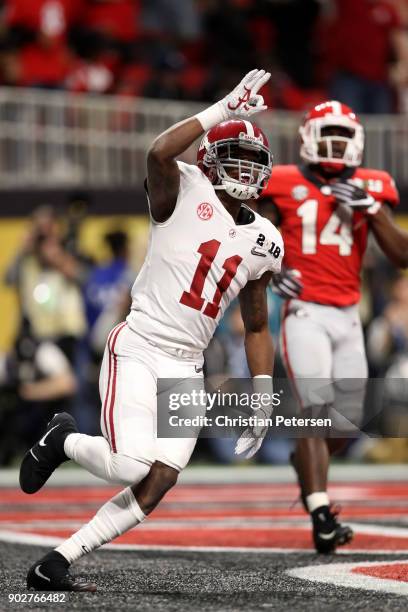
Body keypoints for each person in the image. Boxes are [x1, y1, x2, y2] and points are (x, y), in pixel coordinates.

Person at [20, 68, 283, 591]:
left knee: (160, 477)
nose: (245, 170)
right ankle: (64, 438)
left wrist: (262, 391)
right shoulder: (181, 187)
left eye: (254, 163)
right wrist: (223, 110)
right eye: (235, 157)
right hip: (139, 345)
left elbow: (256, 324)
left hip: (187, 363)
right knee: (127, 465)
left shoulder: (267, 241)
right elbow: (159, 152)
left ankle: (58, 560)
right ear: (209, 160)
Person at [258, 100, 406, 554]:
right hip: (304, 310)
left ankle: (305, 463)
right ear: (307, 137)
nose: (335, 144)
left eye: (343, 136)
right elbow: (250, 237)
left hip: (348, 313)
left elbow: (402, 256)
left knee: (347, 423)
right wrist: (267, 271)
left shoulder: (371, 185)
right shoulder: (281, 182)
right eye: (328, 134)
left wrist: (372, 210)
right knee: (315, 409)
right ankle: (321, 514)